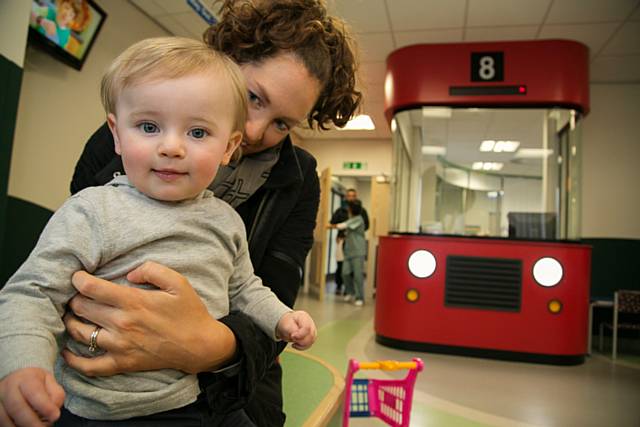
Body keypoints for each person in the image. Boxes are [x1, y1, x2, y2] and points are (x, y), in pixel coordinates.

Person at [39, 1, 361, 426]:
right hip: (100, 358)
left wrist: (210, 346)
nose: (253, 131)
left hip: (232, 372)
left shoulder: (297, 179)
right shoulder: (135, 137)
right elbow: (66, 261)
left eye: (283, 123)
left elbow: (268, 297)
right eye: (251, 98)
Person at [329, 188, 369, 294]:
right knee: (342, 269)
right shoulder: (340, 210)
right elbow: (334, 223)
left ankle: (352, 292)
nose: (351, 198)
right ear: (346, 197)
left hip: (356, 246)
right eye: (349, 195)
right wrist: (341, 234)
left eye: (353, 195)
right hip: (343, 242)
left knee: (356, 272)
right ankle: (340, 286)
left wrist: (352, 232)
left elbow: (346, 225)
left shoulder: (361, 212)